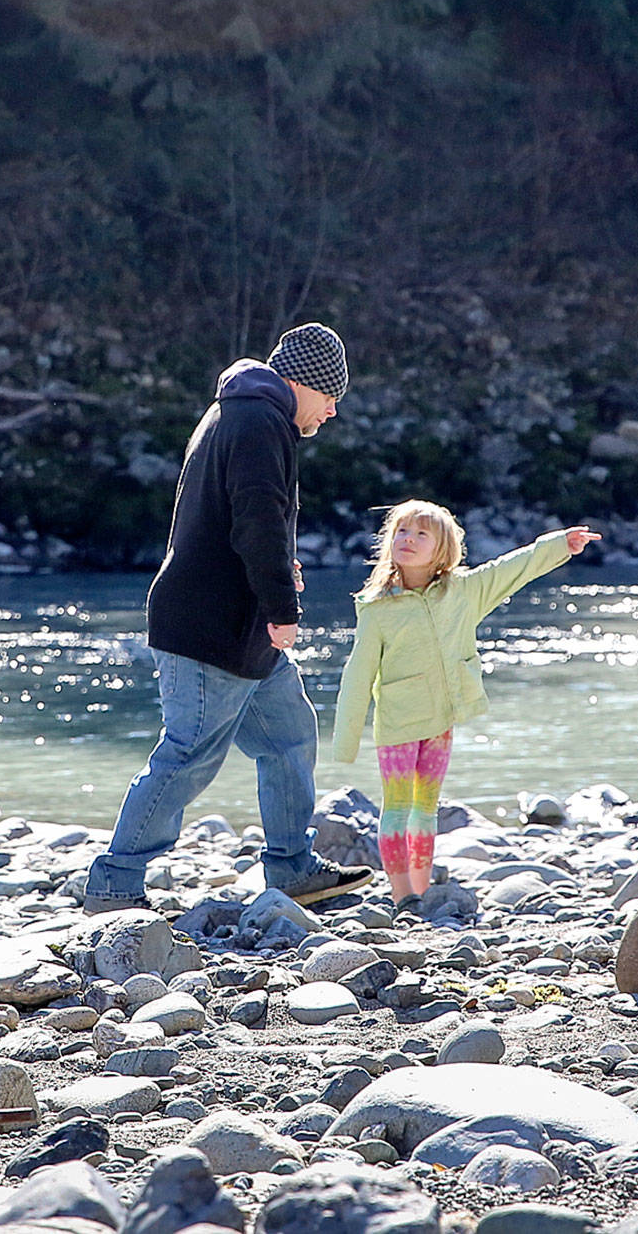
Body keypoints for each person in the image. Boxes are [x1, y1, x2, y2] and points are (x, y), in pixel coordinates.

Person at [82, 322, 374, 913]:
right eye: (330, 395)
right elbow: (256, 520)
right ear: (304, 382)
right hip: (209, 628)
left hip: (235, 629)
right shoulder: (257, 421)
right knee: (187, 756)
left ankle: (292, 868)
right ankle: (114, 883)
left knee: (291, 735)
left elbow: (237, 522)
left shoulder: (244, 413)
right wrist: (281, 608)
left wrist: (273, 575)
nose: (333, 410)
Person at [332, 500, 601, 905]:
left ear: (442, 550)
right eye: (402, 532)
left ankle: (420, 890)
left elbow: (512, 570)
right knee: (398, 805)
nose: (409, 539)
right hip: (398, 722)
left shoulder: (463, 592)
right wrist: (346, 739)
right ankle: (402, 892)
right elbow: (357, 675)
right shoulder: (377, 609)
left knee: (426, 806)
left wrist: (560, 545)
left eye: (421, 534)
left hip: (442, 718)